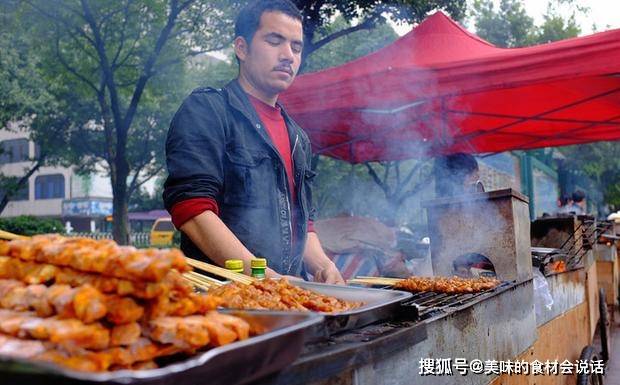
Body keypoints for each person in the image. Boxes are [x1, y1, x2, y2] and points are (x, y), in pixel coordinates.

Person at [163, 0, 344, 284]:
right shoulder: (208, 110)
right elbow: (193, 209)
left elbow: (303, 222)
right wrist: (263, 279)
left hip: (291, 301)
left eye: (296, 48)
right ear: (242, 48)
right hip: (223, 300)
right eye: (274, 41)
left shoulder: (299, 138)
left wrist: (323, 265)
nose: (288, 55)